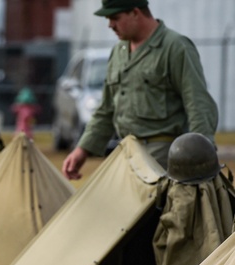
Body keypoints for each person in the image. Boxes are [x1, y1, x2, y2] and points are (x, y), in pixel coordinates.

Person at [61, 0, 218, 180]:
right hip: (126, 152)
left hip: (164, 156)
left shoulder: (175, 47)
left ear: (136, 13)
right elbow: (106, 110)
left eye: (115, 17)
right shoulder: (118, 52)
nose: (110, 25)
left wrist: (201, 153)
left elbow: (198, 102)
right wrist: (82, 150)